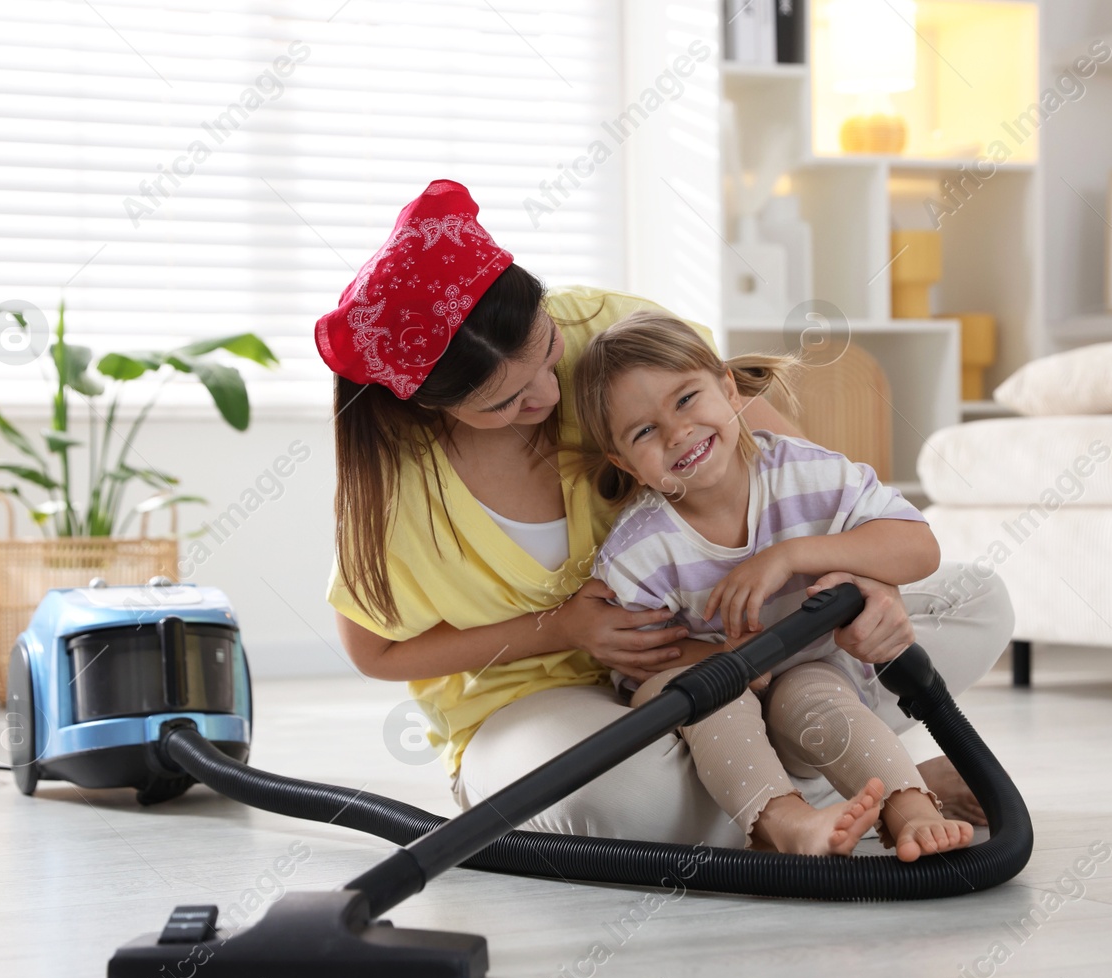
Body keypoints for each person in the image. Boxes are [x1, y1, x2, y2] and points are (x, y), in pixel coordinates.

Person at [318, 178, 1014, 849]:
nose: (547, 394)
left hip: (763, 648)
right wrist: (558, 628)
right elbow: (374, 650)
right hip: (547, 696)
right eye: (505, 401)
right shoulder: (396, 479)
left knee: (978, 600)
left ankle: (806, 774)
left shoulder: (605, 332)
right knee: (624, 795)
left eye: (545, 352)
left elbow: (786, 466)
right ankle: (862, 779)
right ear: (430, 405)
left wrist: (863, 581)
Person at [573, 310, 976, 859]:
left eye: (687, 399)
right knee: (710, 691)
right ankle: (781, 823)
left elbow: (918, 547)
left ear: (728, 388)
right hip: (706, 693)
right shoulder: (640, 548)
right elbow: (636, 660)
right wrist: (726, 659)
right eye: (645, 431)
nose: (678, 432)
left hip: (808, 671)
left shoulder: (806, 472)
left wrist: (792, 555)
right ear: (626, 463)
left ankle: (909, 807)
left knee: (819, 694)